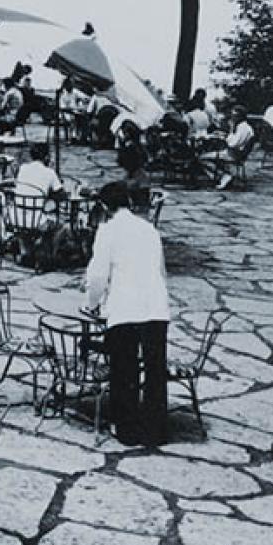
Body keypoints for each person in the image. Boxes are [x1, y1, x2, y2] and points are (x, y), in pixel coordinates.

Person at [86, 181, 170, 446]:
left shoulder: (107, 231)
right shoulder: (149, 230)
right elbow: (161, 270)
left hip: (125, 306)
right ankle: (156, 429)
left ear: (103, 206)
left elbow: (98, 275)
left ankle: (127, 427)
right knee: (155, 369)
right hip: (156, 305)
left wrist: (93, 303)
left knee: (125, 369)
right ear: (130, 203)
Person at [213, 106, 255, 190]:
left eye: (234, 116)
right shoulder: (241, 126)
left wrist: (224, 138)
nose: (232, 118)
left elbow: (232, 144)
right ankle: (225, 175)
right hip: (235, 152)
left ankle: (225, 176)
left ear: (240, 116)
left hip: (234, 154)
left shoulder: (243, 128)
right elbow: (233, 139)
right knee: (211, 155)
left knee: (202, 158)